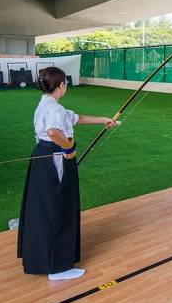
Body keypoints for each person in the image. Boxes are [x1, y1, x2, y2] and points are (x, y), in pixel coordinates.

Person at [18, 67, 117, 280]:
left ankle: (50, 259)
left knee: (49, 206)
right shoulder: (54, 109)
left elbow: (74, 118)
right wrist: (68, 148)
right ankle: (58, 268)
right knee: (59, 206)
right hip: (56, 159)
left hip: (43, 157)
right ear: (61, 85)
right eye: (66, 83)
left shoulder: (46, 103)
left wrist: (102, 119)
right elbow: (54, 132)